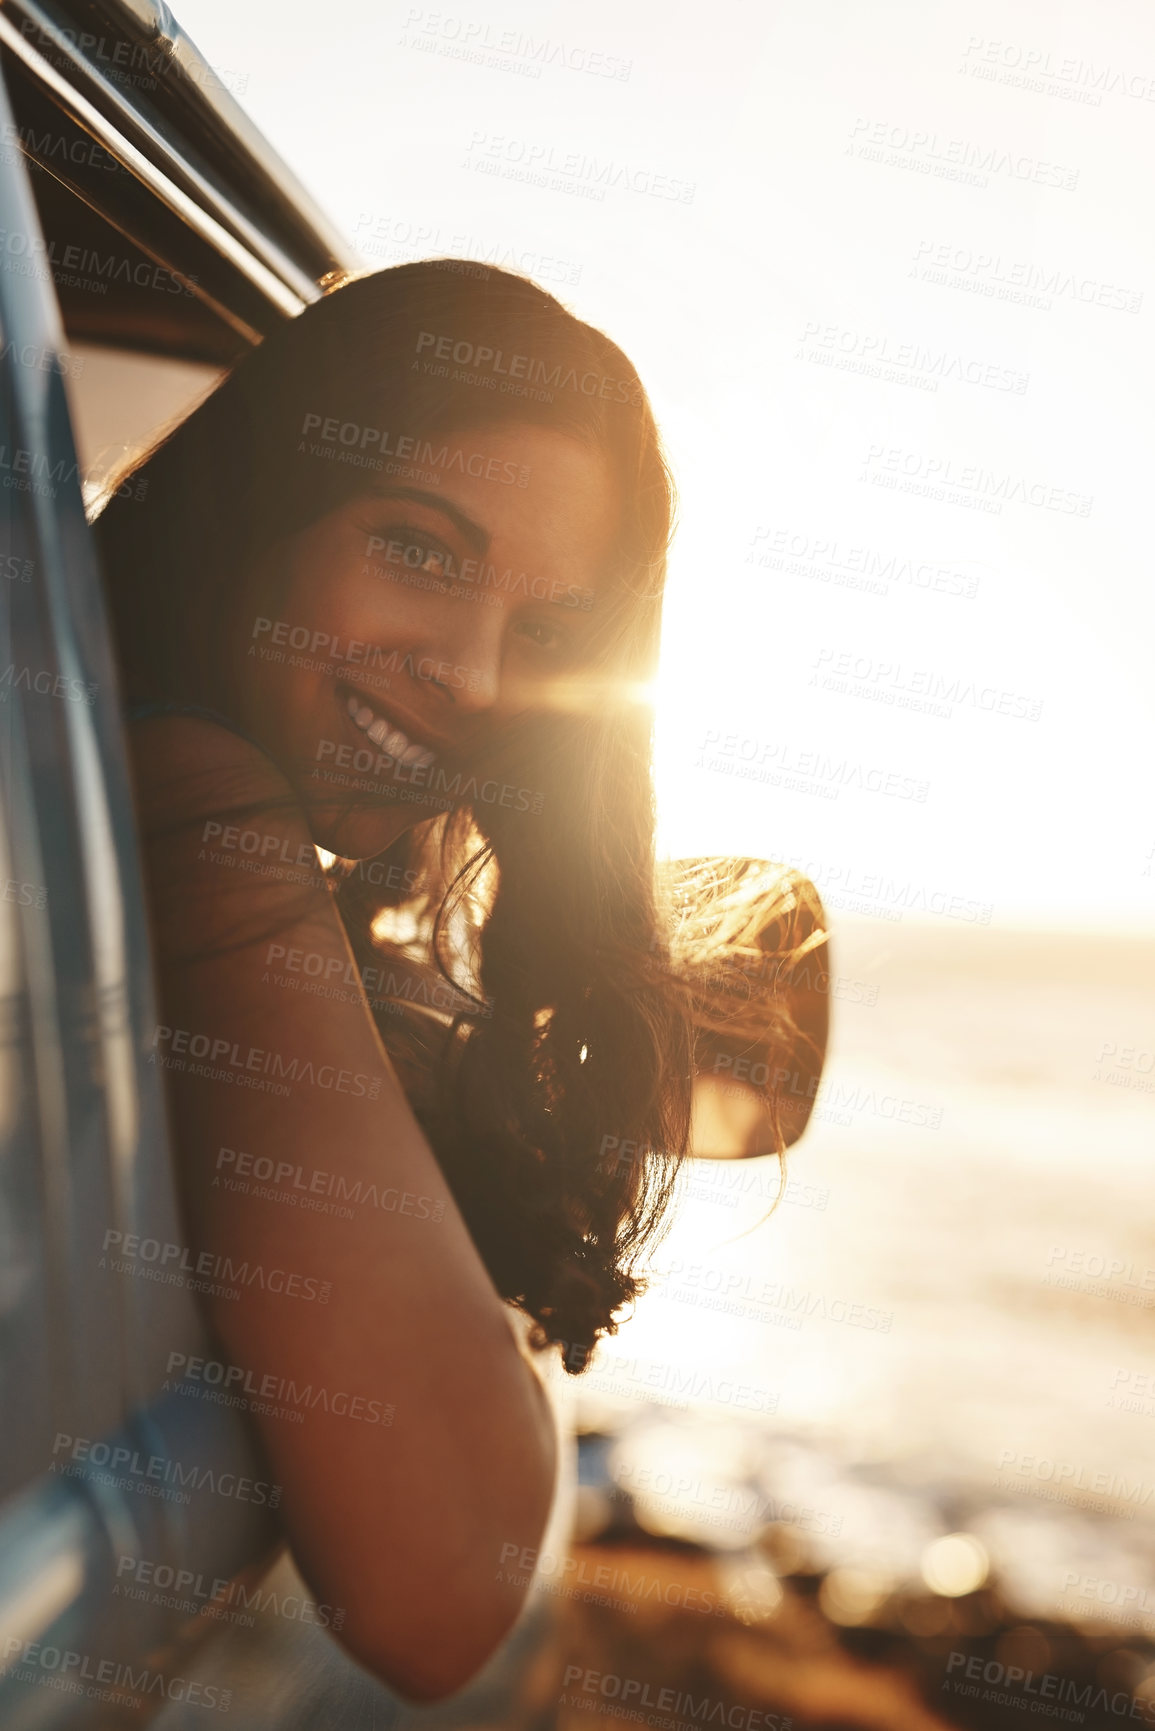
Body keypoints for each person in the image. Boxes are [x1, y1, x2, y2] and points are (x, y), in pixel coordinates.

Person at [93, 262, 824, 1702]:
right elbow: (449, 1588)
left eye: (549, 632)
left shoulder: (122, 780)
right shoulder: (193, 796)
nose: (480, 679)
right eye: (420, 550)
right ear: (261, 512)